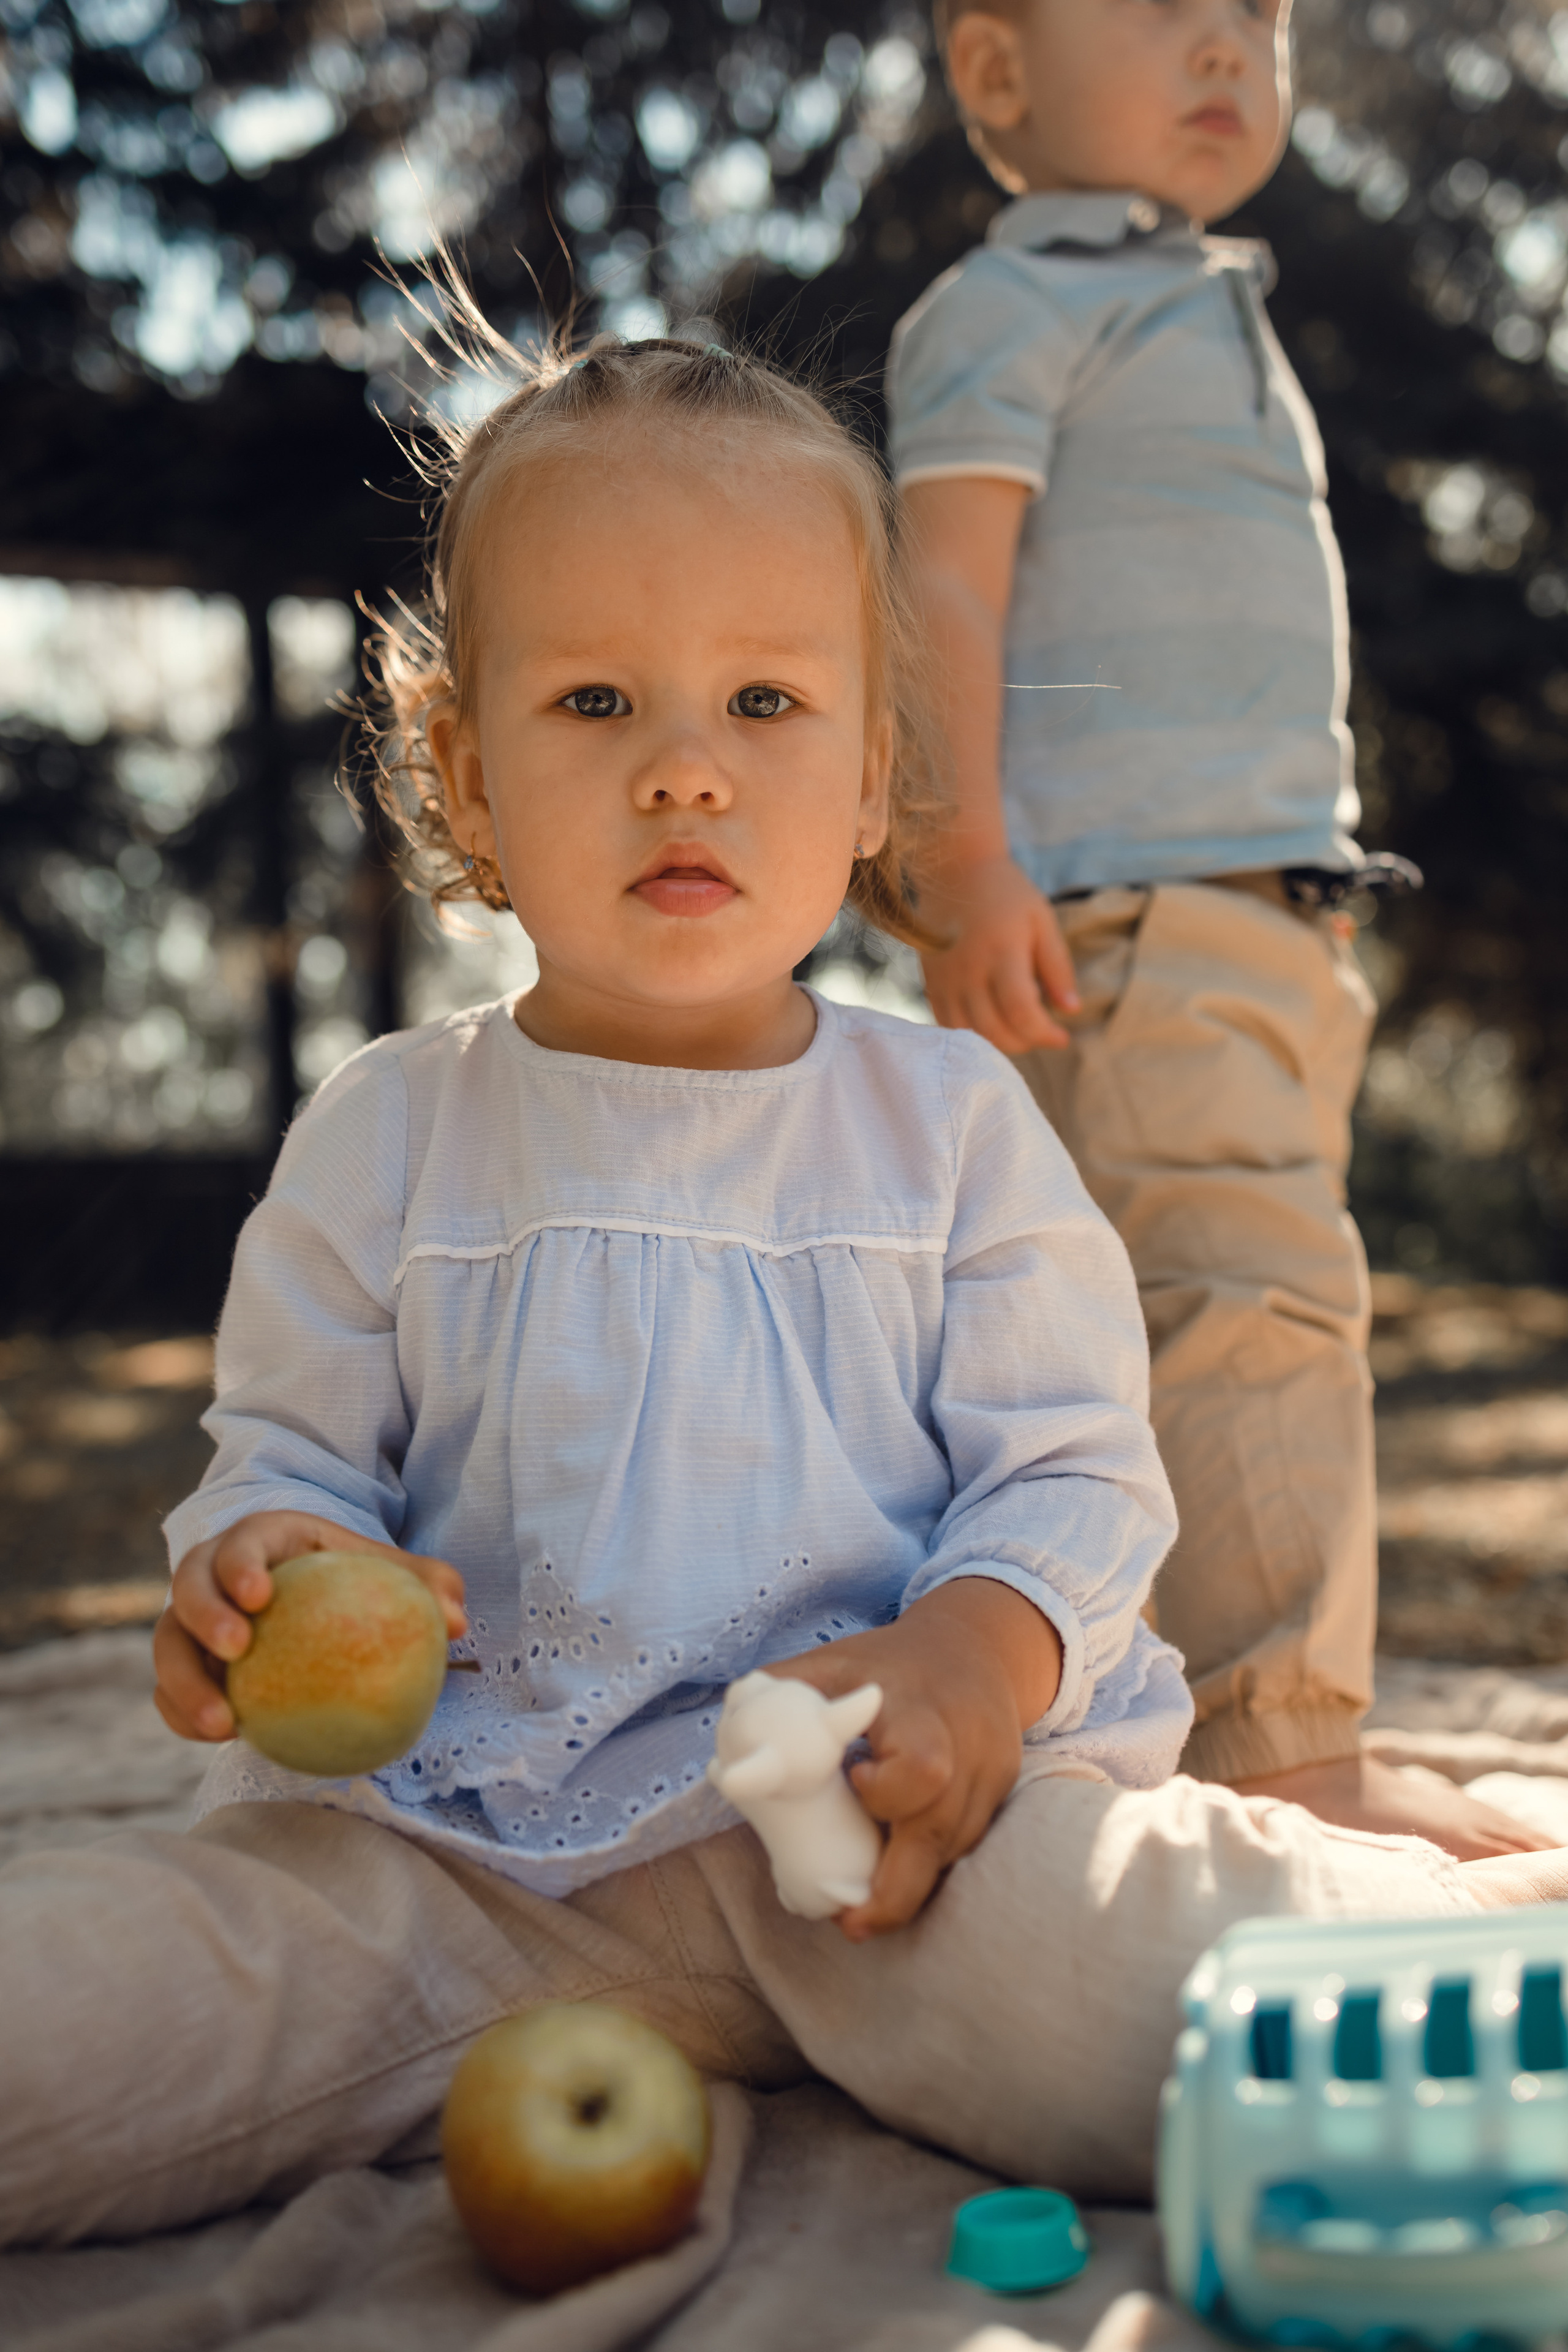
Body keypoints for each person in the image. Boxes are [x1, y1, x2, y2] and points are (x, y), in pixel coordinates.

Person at [1, 334, 1558, 2257]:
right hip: (435, 1870)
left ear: (872, 772)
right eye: (595, 699)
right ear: (467, 773)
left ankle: (1488, 1981)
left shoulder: (947, 1126)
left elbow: (1074, 1478)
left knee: (1176, 1978)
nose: (684, 764)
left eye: (762, 698)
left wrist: (979, 1669)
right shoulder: (390, 1133)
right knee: (78, 2006)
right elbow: (287, 1459)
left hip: (884, 1851)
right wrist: (258, 1567)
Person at [886, 0, 1542, 1858]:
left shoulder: (1198, 297)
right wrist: (967, 856)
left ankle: (1147, 1729)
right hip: (1131, 908)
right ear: (997, 73)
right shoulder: (1018, 307)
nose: (1225, 45)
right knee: (1246, 1308)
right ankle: (1283, 1752)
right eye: (1160, 7)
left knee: (1190, 1307)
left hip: (1245, 904)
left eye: (1253, 12)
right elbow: (945, 578)